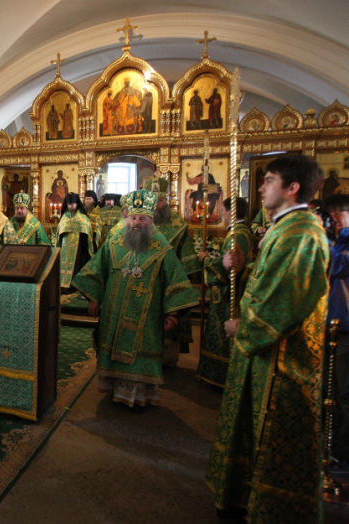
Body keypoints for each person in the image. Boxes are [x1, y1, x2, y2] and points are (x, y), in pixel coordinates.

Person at [205, 156, 329, 523]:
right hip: (266, 356)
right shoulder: (286, 228)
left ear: (292, 188)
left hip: (284, 361)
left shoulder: (301, 234)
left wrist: (243, 327)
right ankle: (245, 498)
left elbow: (285, 300)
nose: (260, 187)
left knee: (275, 439)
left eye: (269, 180)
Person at [72, 190, 198, 411]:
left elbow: (174, 278)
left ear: (151, 220)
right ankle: (114, 389)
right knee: (112, 347)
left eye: (142, 218)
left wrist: (172, 312)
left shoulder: (161, 246)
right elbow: (97, 269)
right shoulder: (114, 239)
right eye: (133, 218)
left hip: (147, 314)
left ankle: (139, 396)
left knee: (141, 352)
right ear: (127, 218)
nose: (137, 223)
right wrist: (94, 299)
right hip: (114, 308)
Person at [195, 197, 253, 388]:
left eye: (223, 210)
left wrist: (205, 261)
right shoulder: (239, 233)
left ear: (230, 212)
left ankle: (221, 377)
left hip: (229, 296)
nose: (221, 213)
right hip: (227, 293)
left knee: (222, 336)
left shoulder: (238, 235)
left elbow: (230, 269)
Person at [143, 175, 198, 366]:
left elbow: (187, 258)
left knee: (168, 325)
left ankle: (167, 359)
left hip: (169, 282)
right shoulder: (142, 223)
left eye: (160, 200)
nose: (156, 205)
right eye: (153, 201)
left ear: (166, 201)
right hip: (144, 281)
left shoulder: (178, 226)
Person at [323, 194, 349, 473]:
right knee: (331, 392)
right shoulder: (338, 240)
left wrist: (321, 238)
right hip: (334, 327)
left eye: (337, 215)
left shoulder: (344, 242)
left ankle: (343, 452)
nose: (335, 222)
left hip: (346, 328)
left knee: (344, 394)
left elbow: (337, 266)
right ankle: (333, 445)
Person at [56, 193, 93, 291]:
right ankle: (62, 286)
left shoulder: (82, 217)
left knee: (76, 266)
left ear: (77, 204)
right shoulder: (64, 216)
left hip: (79, 247)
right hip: (65, 245)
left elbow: (87, 232)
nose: (71, 206)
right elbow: (59, 232)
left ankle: (74, 287)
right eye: (69, 204)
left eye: (73, 204)